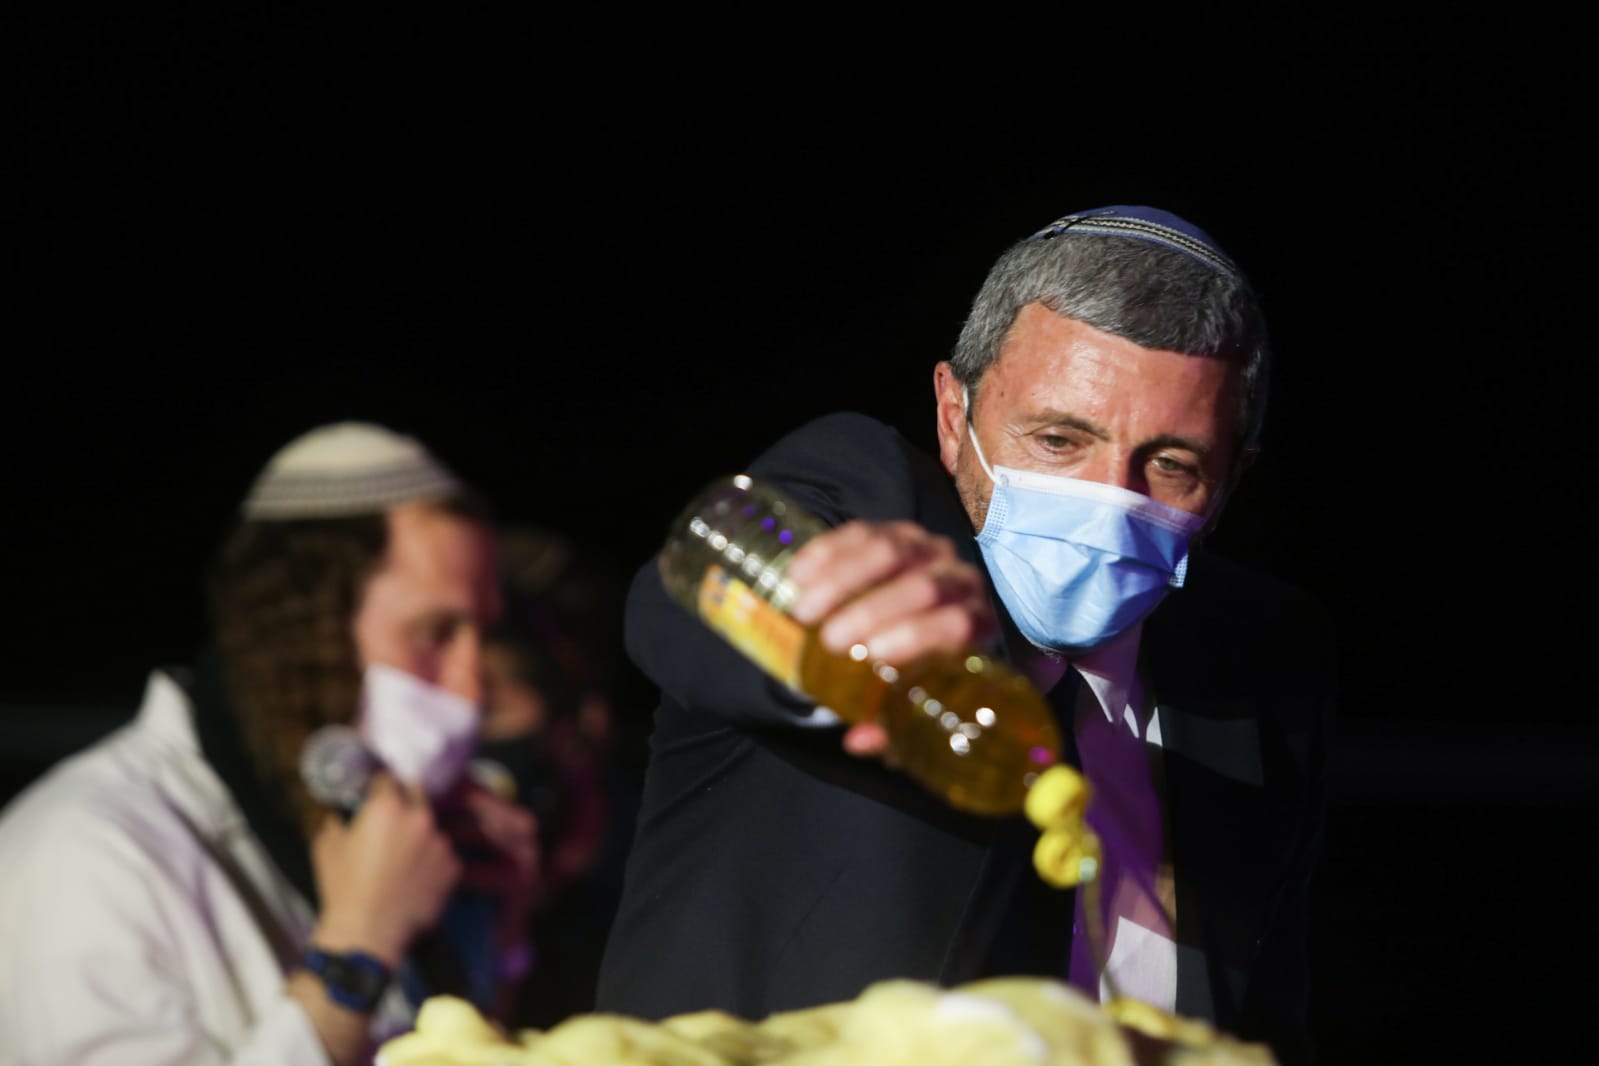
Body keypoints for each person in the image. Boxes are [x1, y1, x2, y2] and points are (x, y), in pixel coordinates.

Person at [596, 206, 1334, 1064]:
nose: (1108, 498)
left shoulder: (1264, 653)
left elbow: (1266, 1003)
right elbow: (684, 605)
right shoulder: (867, 498)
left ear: (1233, 477)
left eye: (1171, 465)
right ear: (954, 416)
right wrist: (823, 619)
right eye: (1057, 440)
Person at [0, 422, 539, 1066]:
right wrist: (358, 951)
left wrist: (493, 940)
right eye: (434, 633)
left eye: (484, 634)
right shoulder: (87, 855)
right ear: (306, 631)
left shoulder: (355, 832)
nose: (471, 686)